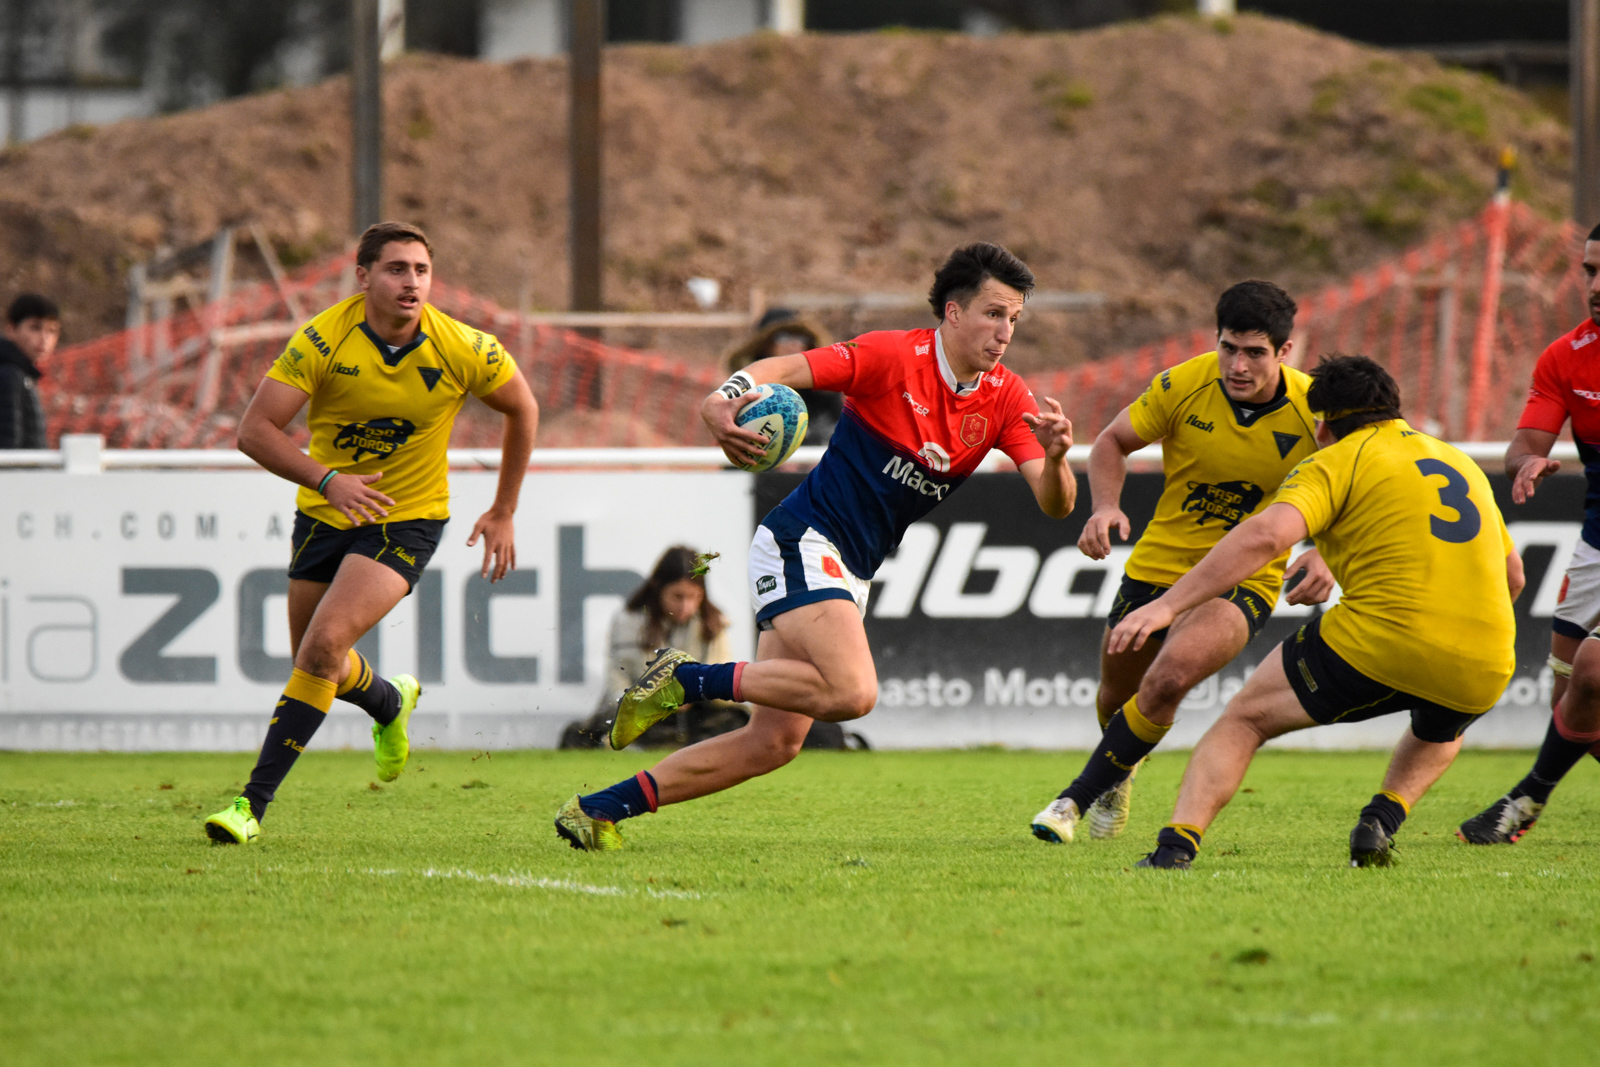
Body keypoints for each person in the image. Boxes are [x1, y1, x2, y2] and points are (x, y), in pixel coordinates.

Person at [553, 242, 1076, 851]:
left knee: (771, 744)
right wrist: (720, 398)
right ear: (953, 314)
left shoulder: (1006, 398)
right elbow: (787, 369)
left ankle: (597, 810)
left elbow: (1054, 502)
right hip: (802, 539)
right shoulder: (891, 356)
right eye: (993, 313)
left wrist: (1061, 458)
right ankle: (686, 681)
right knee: (854, 692)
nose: (1005, 331)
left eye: (1014, 318)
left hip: (850, 569)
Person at [203, 221, 539, 845]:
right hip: (326, 514)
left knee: (323, 647)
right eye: (396, 269)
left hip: (408, 518)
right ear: (363, 277)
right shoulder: (322, 341)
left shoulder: (463, 346)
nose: (411, 282)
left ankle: (250, 805)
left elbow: (523, 407)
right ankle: (388, 701)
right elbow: (255, 432)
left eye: (421, 270)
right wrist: (328, 480)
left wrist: (504, 509)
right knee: (316, 659)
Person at [1118, 355, 1522, 870]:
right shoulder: (1459, 461)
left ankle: (1174, 850)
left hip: (1379, 643)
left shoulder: (1333, 460)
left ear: (1323, 423)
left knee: (1242, 722)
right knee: (1441, 728)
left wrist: (1168, 605)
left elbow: (1265, 536)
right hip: (1488, 662)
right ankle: (1382, 818)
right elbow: (1514, 577)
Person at [1028, 280, 1331, 845]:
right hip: (1158, 565)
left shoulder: (1315, 411)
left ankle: (1078, 795)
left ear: (1285, 352)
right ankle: (1120, 773)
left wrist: (1328, 557)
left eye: (1255, 352)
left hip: (1246, 579)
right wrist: (1106, 507)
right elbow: (1113, 443)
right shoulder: (1185, 384)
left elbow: (1354, 487)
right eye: (1228, 348)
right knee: (1116, 695)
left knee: (1168, 679)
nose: (1237, 365)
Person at [1458, 222, 1600, 844]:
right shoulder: (1566, 355)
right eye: (1590, 271)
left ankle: (1525, 799)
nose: (1594, 285)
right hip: (1597, 542)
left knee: (1593, 675)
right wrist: (1528, 464)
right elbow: (1522, 444)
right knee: (1567, 699)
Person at [559, 545, 751, 748]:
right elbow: (618, 679)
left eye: (694, 597)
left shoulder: (714, 622)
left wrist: (692, 694)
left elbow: (721, 677)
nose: (686, 606)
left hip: (697, 713)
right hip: (639, 713)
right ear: (658, 587)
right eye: (678, 596)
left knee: (740, 721)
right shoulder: (628, 620)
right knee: (583, 735)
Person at [726, 307, 843, 443]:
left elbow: (837, 432)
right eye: (783, 337)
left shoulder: (822, 390)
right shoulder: (746, 390)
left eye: (800, 337)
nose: (793, 344)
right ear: (765, 345)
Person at [0, 293, 60, 449]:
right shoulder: (9, 375)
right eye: (35, 328)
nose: (44, 338)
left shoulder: (23, 375)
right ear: (11, 330)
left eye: (52, 331)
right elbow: (8, 447)